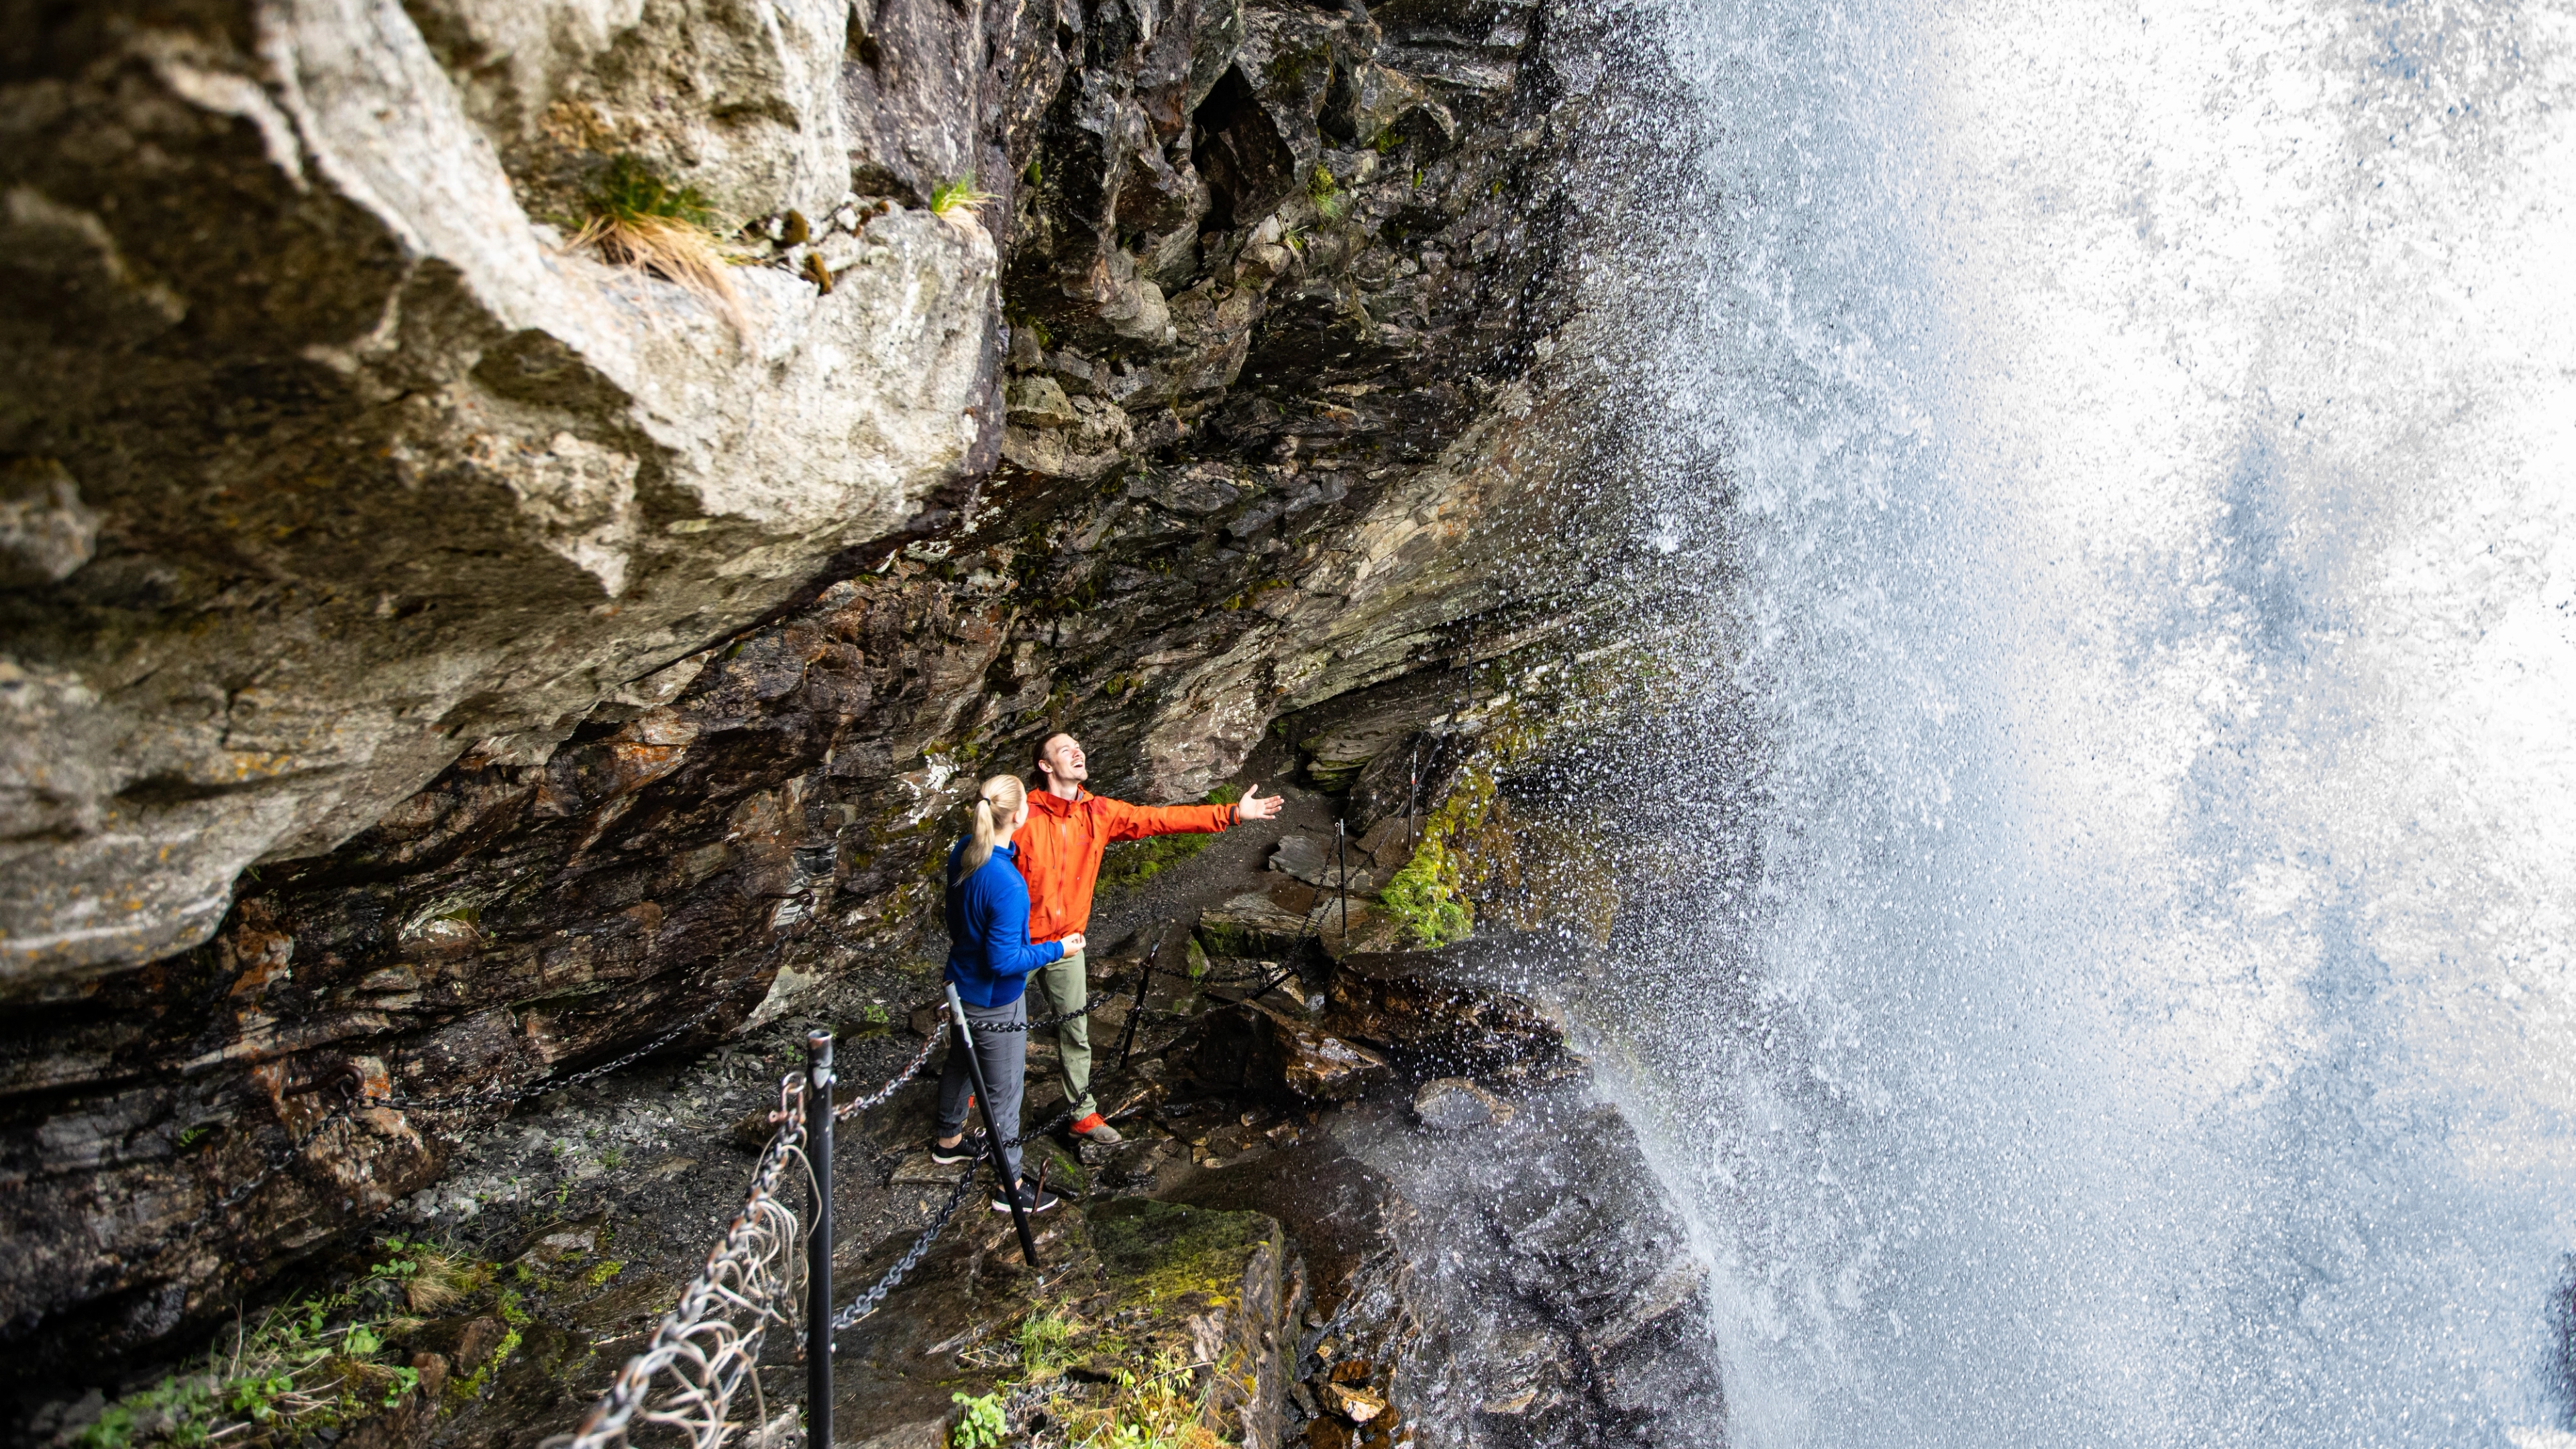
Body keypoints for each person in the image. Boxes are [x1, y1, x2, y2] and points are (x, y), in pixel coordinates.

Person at [1016, 731, 1284, 1144]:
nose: (1079, 751)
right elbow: (980, 869)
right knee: (996, 1031)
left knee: (1076, 1030)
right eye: (1065, 749)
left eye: (1079, 746)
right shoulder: (1021, 815)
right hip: (1019, 945)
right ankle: (969, 1103)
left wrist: (1232, 813)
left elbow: (1160, 820)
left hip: (1069, 944)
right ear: (1046, 766)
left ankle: (1081, 1114)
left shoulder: (1097, 812)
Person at [931, 773, 1082, 1215]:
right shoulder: (1008, 884)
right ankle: (1010, 1186)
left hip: (959, 983)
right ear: (1019, 815)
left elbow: (954, 920)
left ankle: (948, 1140)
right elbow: (1003, 961)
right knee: (1005, 1091)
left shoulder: (964, 850)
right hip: (994, 999)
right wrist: (1059, 948)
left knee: (961, 1058)